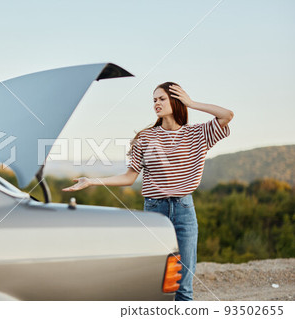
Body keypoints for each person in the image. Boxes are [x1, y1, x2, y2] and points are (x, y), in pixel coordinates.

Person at [62, 82, 234, 301]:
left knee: (183, 285)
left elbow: (227, 115)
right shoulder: (146, 137)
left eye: (161, 98)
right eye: (154, 100)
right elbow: (129, 177)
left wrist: (191, 103)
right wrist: (91, 181)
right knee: (155, 281)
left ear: (176, 100)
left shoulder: (197, 134)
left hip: (184, 210)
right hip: (155, 211)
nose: (156, 104)